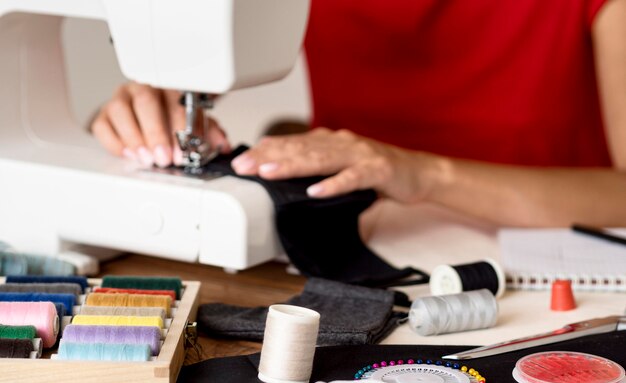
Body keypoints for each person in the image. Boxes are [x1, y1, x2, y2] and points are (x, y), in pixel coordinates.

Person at [92, 0, 626, 227]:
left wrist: (420, 171)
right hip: (372, 253)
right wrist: (149, 106)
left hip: (550, 276)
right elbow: (194, 72)